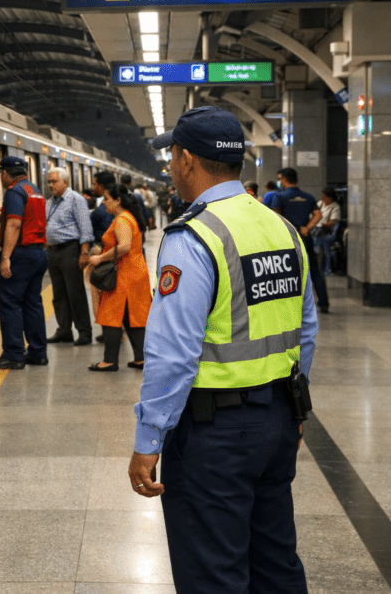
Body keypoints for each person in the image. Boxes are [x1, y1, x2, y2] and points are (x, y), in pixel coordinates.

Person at [128, 106, 317, 593]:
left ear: (187, 159)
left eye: (172, 155)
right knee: (275, 564)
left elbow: (173, 354)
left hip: (215, 435)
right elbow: (306, 331)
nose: (171, 165)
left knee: (212, 573)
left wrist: (149, 440)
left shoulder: (195, 236)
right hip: (278, 420)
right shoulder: (281, 228)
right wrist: (296, 413)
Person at [0, 155, 48, 369]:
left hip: (21, 255)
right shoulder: (34, 190)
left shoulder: (14, 192)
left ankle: (13, 354)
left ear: (4, 173)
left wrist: (5, 257)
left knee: (8, 302)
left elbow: (14, 225)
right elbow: (27, 219)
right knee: (32, 303)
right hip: (38, 253)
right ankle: (38, 352)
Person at [86, 184, 151, 371]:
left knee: (110, 315)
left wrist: (100, 258)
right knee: (132, 316)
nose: (104, 202)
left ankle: (110, 361)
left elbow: (124, 246)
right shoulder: (128, 217)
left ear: (118, 200)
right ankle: (140, 359)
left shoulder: (122, 219)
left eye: (106, 199)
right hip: (133, 271)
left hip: (124, 274)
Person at [43, 166, 94, 347]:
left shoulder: (76, 200)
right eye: (49, 182)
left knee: (75, 293)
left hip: (70, 250)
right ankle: (64, 330)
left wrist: (84, 253)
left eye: (54, 181)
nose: (50, 185)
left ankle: (84, 332)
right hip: (53, 252)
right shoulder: (50, 202)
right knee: (59, 294)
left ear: (65, 182)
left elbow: (86, 229)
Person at [272, 167, 330, 314]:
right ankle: (323, 303)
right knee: (315, 271)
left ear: (285, 179)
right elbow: (318, 215)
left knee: (287, 272)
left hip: (288, 239)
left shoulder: (280, 197)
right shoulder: (308, 197)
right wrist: (307, 228)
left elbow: (276, 217)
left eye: (280, 179)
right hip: (305, 238)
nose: (279, 182)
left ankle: (290, 305)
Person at [88, 171, 116, 344]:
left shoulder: (103, 209)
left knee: (103, 294)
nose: (93, 187)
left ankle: (110, 331)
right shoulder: (123, 200)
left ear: (102, 186)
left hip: (104, 257)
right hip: (114, 256)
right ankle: (113, 330)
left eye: (94, 184)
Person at [314, 186, 341, 275]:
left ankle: (325, 269)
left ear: (330, 197)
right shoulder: (320, 203)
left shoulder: (335, 207)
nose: (323, 198)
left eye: (325, 197)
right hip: (316, 231)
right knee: (317, 245)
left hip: (327, 233)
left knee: (323, 248)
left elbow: (333, 222)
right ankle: (319, 268)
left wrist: (324, 224)